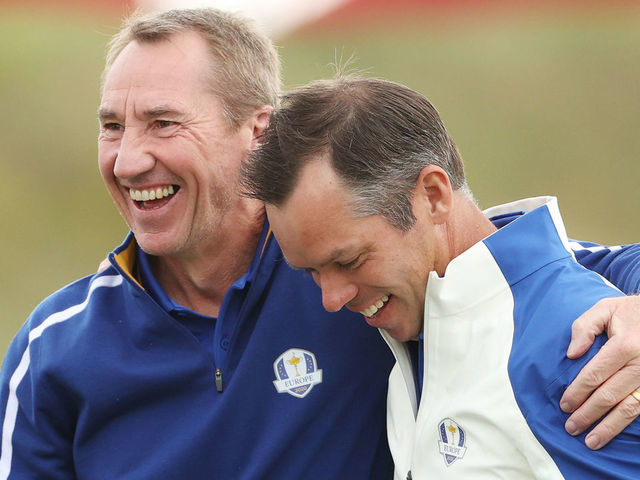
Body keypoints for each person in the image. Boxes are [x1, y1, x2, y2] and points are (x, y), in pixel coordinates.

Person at [0, 7, 637, 479]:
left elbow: (528, 270)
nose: (128, 160)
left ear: (258, 132)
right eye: (112, 127)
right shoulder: (52, 349)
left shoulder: (370, 275)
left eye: (163, 123)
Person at [241, 75, 640, 478]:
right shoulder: (425, 319)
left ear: (433, 196)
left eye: (349, 261)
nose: (331, 299)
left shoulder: (585, 358)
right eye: (311, 271)